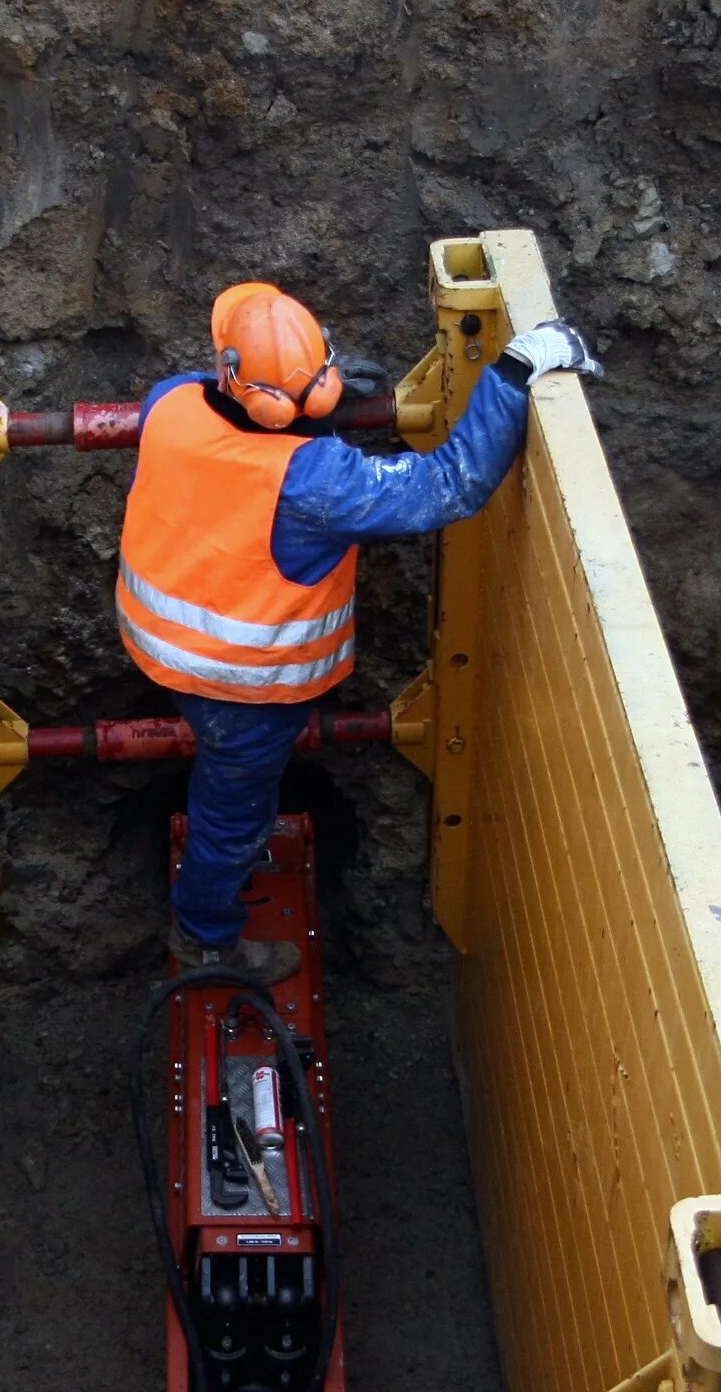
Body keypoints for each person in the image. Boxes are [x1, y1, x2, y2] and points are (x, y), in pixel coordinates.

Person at [118, 281, 601, 982]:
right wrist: (515, 371)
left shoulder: (171, 399)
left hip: (156, 638)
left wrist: (318, 407)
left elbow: (242, 433)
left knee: (227, 791)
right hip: (241, 687)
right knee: (233, 816)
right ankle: (204, 939)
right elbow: (450, 484)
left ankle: (210, 910)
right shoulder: (315, 480)